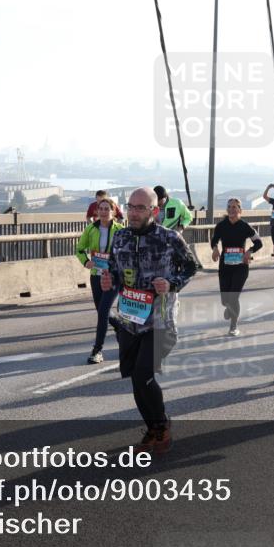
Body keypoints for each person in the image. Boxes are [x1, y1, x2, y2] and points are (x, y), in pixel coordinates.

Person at [101, 187, 197, 454]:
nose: (133, 212)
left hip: (160, 320)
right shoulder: (120, 236)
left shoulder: (169, 238)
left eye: (140, 208)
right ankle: (153, 429)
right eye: (130, 207)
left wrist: (171, 283)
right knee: (135, 378)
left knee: (144, 374)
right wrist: (110, 279)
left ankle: (162, 425)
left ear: (154, 211)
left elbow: (191, 267)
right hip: (129, 320)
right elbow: (114, 268)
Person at [76, 199, 124, 364]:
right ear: (97, 212)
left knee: (103, 311)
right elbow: (79, 249)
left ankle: (97, 350)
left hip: (113, 276)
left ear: (113, 211)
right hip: (96, 275)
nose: (103, 212)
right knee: (101, 311)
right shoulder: (91, 229)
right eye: (101, 209)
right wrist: (86, 261)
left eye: (107, 209)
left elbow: (126, 252)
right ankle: (119, 326)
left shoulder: (120, 230)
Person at [211, 198, 263, 336]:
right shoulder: (221, 226)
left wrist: (249, 251)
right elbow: (214, 240)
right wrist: (215, 249)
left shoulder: (245, 226)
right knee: (225, 300)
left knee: (233, 297)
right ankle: (229, 308)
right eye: (229, 207)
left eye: (234, 207)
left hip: (241, 267)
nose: (231, 209)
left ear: (240, 210)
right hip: (225, 266)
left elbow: (259, 242)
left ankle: (233, 326)